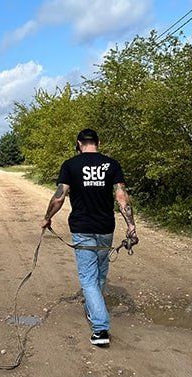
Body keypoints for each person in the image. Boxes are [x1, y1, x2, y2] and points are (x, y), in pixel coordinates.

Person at [41, 128, 138, 346]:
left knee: (87, 278)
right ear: (98, 142)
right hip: (106, 228)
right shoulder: (111, 164)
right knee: (100, 272)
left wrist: (47, 218)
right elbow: (121, 196)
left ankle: (100, 329)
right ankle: (94, 308)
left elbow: (59, 198)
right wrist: (131, 227)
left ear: (78, 143)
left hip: (82, 228)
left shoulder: (70, 165)